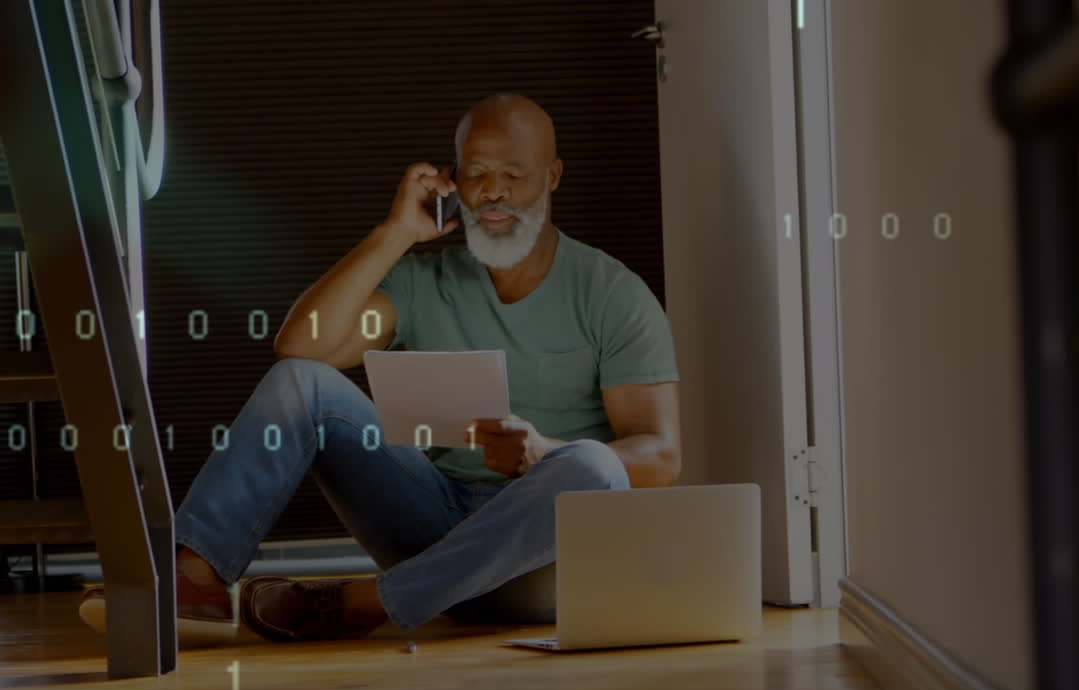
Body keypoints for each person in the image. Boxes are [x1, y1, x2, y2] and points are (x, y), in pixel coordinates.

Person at [78, 93, 682, 645]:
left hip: (543, 562)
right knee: (301, 385)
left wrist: (543, 451)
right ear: (453, 182)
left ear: (552, 175)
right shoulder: (424, 284)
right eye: (475, 174)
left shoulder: (610, 293)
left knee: (593, 466)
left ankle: (369, 602)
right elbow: (301, 346)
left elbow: (659, 455)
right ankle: (192, 582)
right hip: (434, 527)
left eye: (514, 175)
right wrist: (394, 233)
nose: (492, 192)